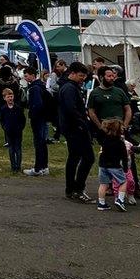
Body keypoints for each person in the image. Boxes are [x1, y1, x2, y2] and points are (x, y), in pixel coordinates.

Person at [60, 62, 94, 202]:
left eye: (84, 76)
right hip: (75, 128)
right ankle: (78, 188)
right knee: (88, 157)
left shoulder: (71, 87)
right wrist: (82, 122)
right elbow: (70, 109)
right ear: (72, 73)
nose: (83, 79)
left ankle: (72, 188)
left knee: (74, 158)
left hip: (72, 127)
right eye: (80, 76)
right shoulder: (69, 89)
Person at [95, 119, 130, 211]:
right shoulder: (120, 143)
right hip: (114, 165)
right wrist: (126, 168)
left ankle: (101, 203)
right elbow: (124, 157)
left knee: (103, 184)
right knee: (123, 182)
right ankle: (120, 199)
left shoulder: (104, 140)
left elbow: (98, 134)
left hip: (102, 165)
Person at [0, 88, 25, 172]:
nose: (10, 98)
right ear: (4, 98)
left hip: (18, 131)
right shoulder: (3, 109)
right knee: (11, 149)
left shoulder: (18, 108)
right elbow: (1, 119)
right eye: (8, 97)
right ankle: (13, 166)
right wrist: (5, 127)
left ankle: (18, 166)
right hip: (9, 131)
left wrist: (20, 128)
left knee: (18, 148)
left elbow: (23, 119)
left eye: (11, 96)